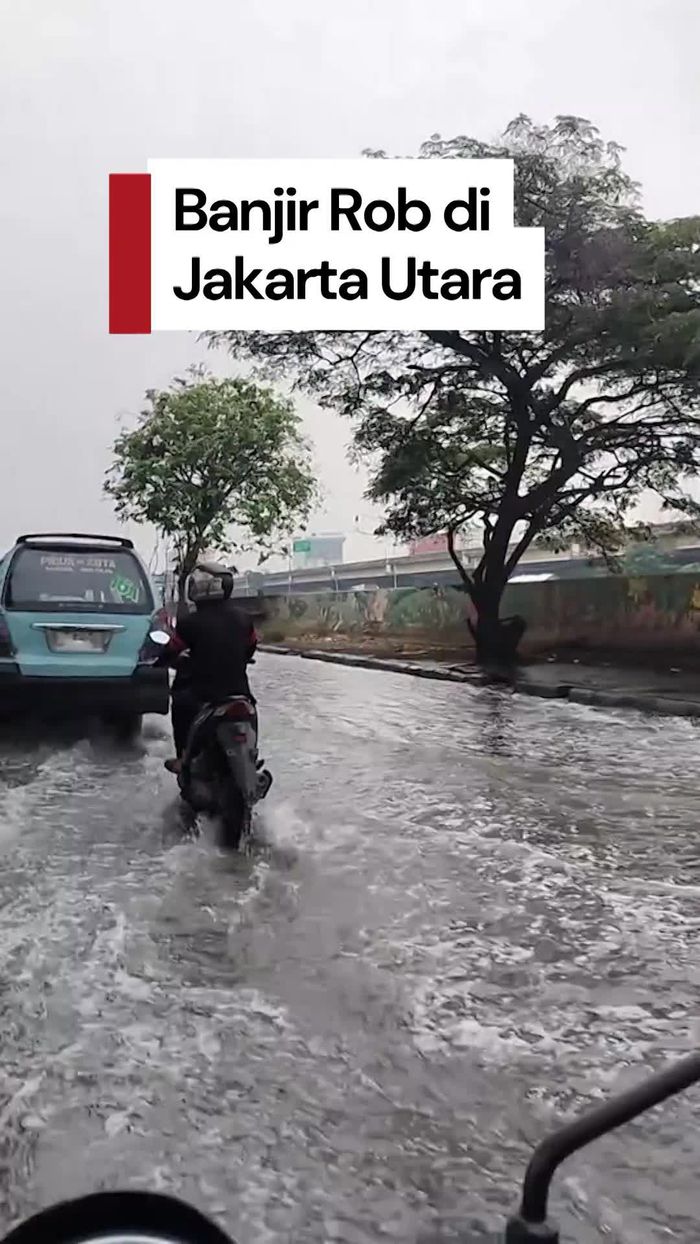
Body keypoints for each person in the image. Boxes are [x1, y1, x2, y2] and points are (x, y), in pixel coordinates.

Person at [163, 561, 258, 774]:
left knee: (180, 703)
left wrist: (165, 660)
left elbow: (171, 650)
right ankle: (251, 758)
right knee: (250, 711)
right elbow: (251, 647)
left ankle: (184, 758)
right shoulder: (244, 618)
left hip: (203, 694)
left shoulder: (189, 623)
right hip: (239, 692)